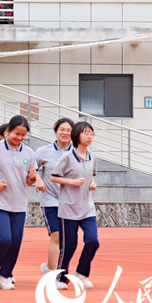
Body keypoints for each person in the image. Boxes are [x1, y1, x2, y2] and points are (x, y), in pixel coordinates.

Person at [0, 115, 38, 290]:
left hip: (19, 204)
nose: (19, 137)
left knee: (16, 243)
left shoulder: (29, 153)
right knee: (4, 239)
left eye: (23, 135)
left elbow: (28, 181)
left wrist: (32, 178)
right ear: (8, 131)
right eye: (16, 133)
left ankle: (5, 275)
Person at [50, 121, 99, 290]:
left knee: (93, 241)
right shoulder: (68, 157)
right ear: (77, 136)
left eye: (92, 133)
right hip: (69, 208)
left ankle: (81, 273)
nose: (90, 136)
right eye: (86, 133)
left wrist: (92, 183)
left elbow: (90, 175)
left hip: (87, 208)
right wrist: (71, 181)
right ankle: (60, 277)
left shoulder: (92, 157)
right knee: (69, 245)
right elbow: (54, 177)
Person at [34, 118, 74, 275]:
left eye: (69, 130)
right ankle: (53, 273)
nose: (65, 133)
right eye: (62, 129)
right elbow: (32, 168)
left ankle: (52, 268)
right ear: (56, 131)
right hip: (50, 199)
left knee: (67, 240)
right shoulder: (44, 151)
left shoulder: (76, 152)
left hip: (70, 202)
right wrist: (37, 179)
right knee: (56, 236)